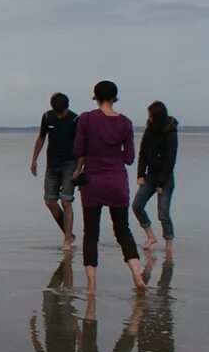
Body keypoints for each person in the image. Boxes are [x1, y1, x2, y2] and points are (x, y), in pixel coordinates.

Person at [72, 80, 147, 295]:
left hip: (93, 181)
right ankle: (136, 275)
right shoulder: (126, 123)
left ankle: (92, 285)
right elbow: (130, 158)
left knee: (91, 234)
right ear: (115, 97)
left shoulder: (86, 118)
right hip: (117, 181)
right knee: (123, 230)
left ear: (95, 96)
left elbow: (79, 149)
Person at [30, 92, 78, 248]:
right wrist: (34, 160)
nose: (59, 116)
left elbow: (82, 144)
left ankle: (67, 240)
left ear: (67, 107)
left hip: (70, 164)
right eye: (57, 113)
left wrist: (81, 167)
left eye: (62, 112)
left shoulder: (75, 119)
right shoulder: (47, 117)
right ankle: (68, 233)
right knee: (50, 201)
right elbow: (41, 137)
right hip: (52, 164)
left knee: (66, 201)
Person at [134, 101, 179, 254]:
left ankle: (169, 244)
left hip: (165, 178)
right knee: (137, 205)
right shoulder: (150, 129)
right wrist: (140, 174)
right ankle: (151, 236)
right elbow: (143, 153)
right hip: (150, 174)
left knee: (163, 212)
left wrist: (161, 183)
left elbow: (170, 160)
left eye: (151, 115)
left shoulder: (171, 132)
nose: (149, 118)